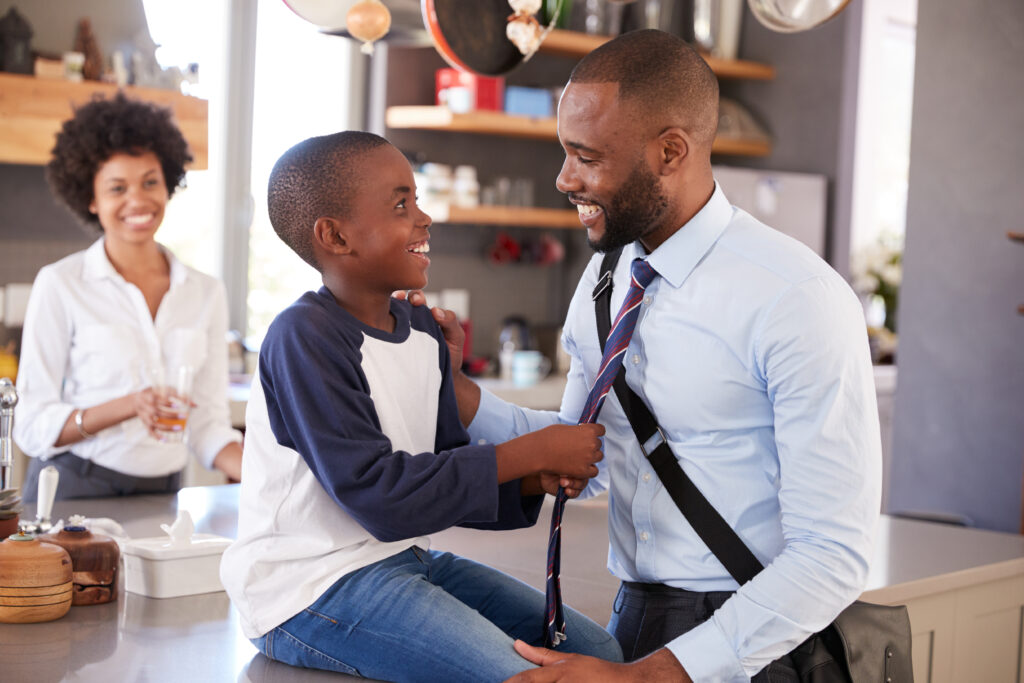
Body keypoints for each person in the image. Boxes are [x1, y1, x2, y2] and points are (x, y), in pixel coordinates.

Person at [427, 30, 882, 682]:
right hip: (633, 620)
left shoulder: (797, 298)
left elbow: (833, 551)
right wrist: (459, 391)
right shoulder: (603, 281)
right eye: (564, 151)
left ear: (671, 151)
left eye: (586, 155)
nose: (563, 178)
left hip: (753, 641)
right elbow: (583, 455)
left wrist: (653, 674)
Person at [218, 131, 622, 683]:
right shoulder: (302, 336)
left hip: (403, 562)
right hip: (307, 588)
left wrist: (537, 478)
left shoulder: (420, 332)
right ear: (334, 236)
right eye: (401, 205)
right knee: (525, 676)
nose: (424, 218)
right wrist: (529, 453)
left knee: (601, 654)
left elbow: (440, 479)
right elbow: (380, 495)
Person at [14, 93, 243, 500]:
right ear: (91, 198)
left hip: (166, 494)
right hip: (73, 486)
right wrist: (128, 405)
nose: (138, 200)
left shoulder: (206, 292)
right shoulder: (61, 284)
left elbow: (206, 423)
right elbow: (32, 426)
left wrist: (262, 474)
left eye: (150, 182)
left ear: (169, 184)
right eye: (117, 187)